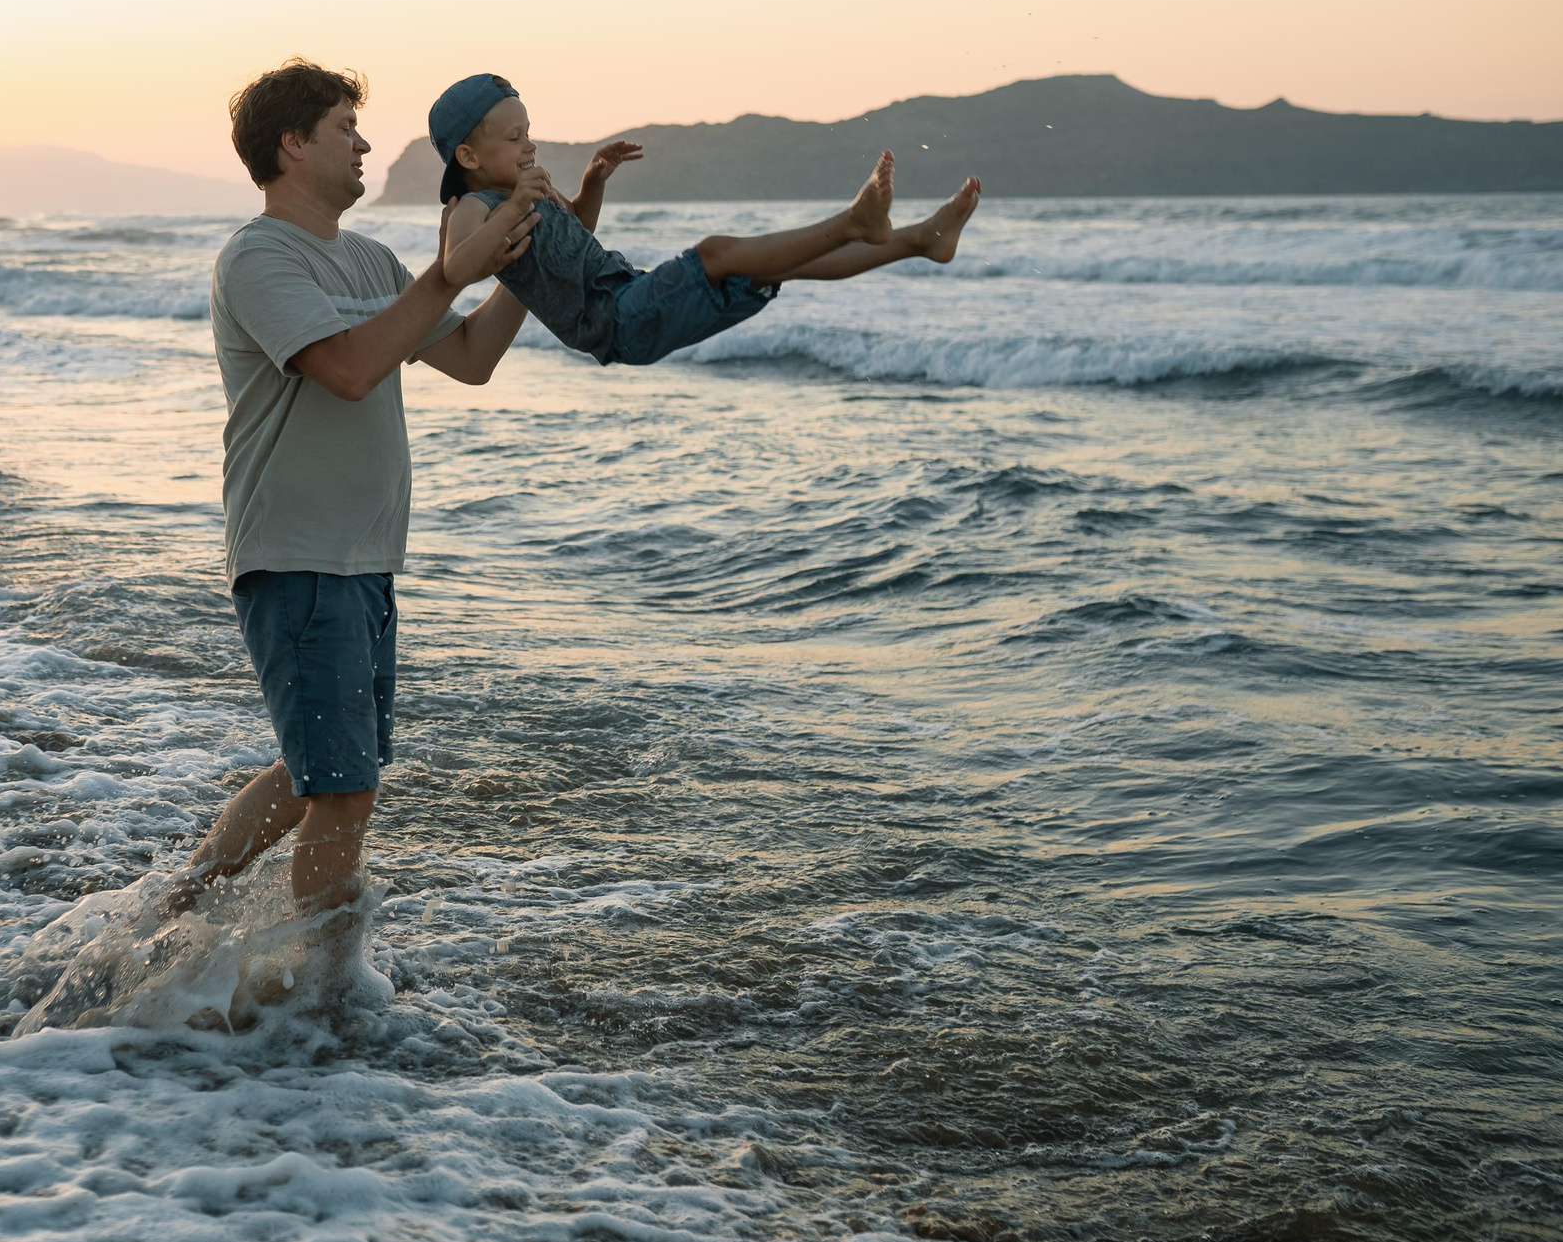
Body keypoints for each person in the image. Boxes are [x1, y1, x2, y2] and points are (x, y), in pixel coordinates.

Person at [171, 58, 540, 920]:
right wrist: (449, 272)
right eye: (345, 126)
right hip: (296, 554)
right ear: (293, 145)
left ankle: (180, 905)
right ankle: (320, 999)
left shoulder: (372, 258)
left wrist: (530, 253)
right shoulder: (258, 257)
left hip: (360, 558)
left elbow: (472, 358)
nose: (365, 140)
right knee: (344, 789)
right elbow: (345, 369)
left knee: (325, 775)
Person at [432, 73, 982, 368]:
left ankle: (922, 240)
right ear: (469, 158)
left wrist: (592, 182)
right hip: (614, 322)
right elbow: (457, 269)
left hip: (630, 294)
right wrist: (510, 208)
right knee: (718, 250)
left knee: (778, 265)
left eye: (529, 131)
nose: (530, 144)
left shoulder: (531, 189)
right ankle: (854, 221)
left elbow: (576, 235)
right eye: (514, 138)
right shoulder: (474, 209)